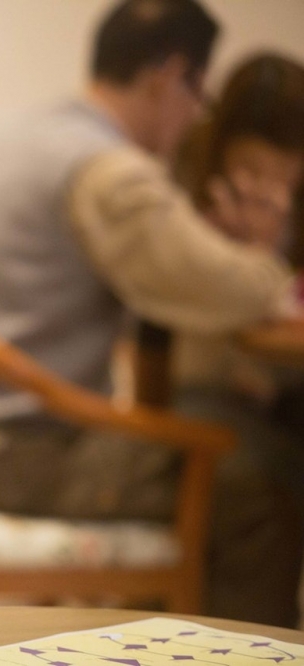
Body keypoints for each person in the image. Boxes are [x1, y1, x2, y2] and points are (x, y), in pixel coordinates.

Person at [0, 0, 304, 627]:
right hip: (12, 451)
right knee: (259, 482)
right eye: (197, 95)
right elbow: (227, 287)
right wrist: (266, 256)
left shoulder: (22, 133)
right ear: (170, 76)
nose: (193, 118)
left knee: (227, 449)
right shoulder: (109, 172)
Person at [169, 51, 304, 623]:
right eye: (251, 164)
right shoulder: (190, 184)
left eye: (285, 167)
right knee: (255, 487)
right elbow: (189, 311)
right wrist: (256, 259)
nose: (267, 184)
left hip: (290, 389)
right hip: (211, 387)